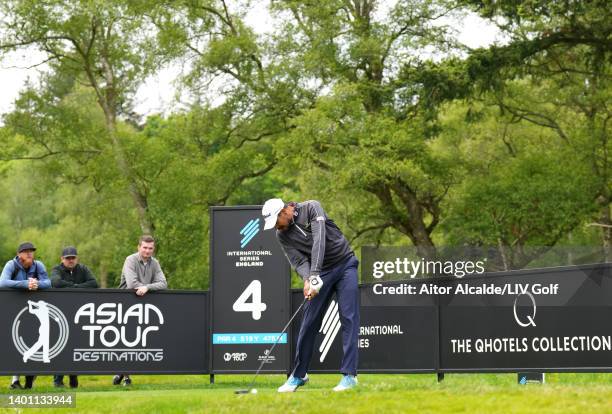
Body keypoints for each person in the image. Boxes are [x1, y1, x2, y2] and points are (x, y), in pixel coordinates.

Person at [262, 199, 360, 392]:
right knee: (309, 322)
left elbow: (319, 239)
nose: (276, 226)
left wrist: (314, 274)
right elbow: (298, 261)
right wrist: (308, 279)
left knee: (349, 318)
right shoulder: (282, 235)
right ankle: (299, 375)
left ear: (285, 210)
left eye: (276, 221)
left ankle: (350, 376)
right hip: (320, 273)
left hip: (345, 264)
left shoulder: (311, 207)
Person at [113, 235, 167, 386]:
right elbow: (132, 284)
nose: (147, 251)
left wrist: (147, 287)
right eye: (144, 247)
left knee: (137, 342)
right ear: (139, 247)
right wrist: (145, 286)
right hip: (125, 304)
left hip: (144, 305)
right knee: (126, 341)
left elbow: (163, 283)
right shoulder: (130, 260)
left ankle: (121, 373)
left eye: (150, 248)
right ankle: (126, 377)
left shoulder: (155, 263)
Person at [0, 241, 51, 390]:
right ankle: (15, 380)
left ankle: (30, 381)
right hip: (14, 308)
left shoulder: (38, 265)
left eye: (32, 251)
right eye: (26, 251)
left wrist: (36, 285)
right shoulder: (12, 264)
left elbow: (48, 283)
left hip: (32, 308)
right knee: (16, 343)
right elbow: (2, 283)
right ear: (19, 254)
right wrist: (25, 284)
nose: (29, 253)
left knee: (32, 342)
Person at [50, 246, 98, 388]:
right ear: (62, 259)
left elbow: (94, 283)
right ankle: (58, 380)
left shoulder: (83, 268)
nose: (71, 260)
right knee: (60, 347)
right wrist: (76, 286)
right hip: (60, 314)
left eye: (73, 258)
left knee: (75, 345)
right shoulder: (57, 269)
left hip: (78, 314)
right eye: (67, 258)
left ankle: (73, 378)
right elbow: (55, 282)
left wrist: (73, 287)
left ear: (77, 258)